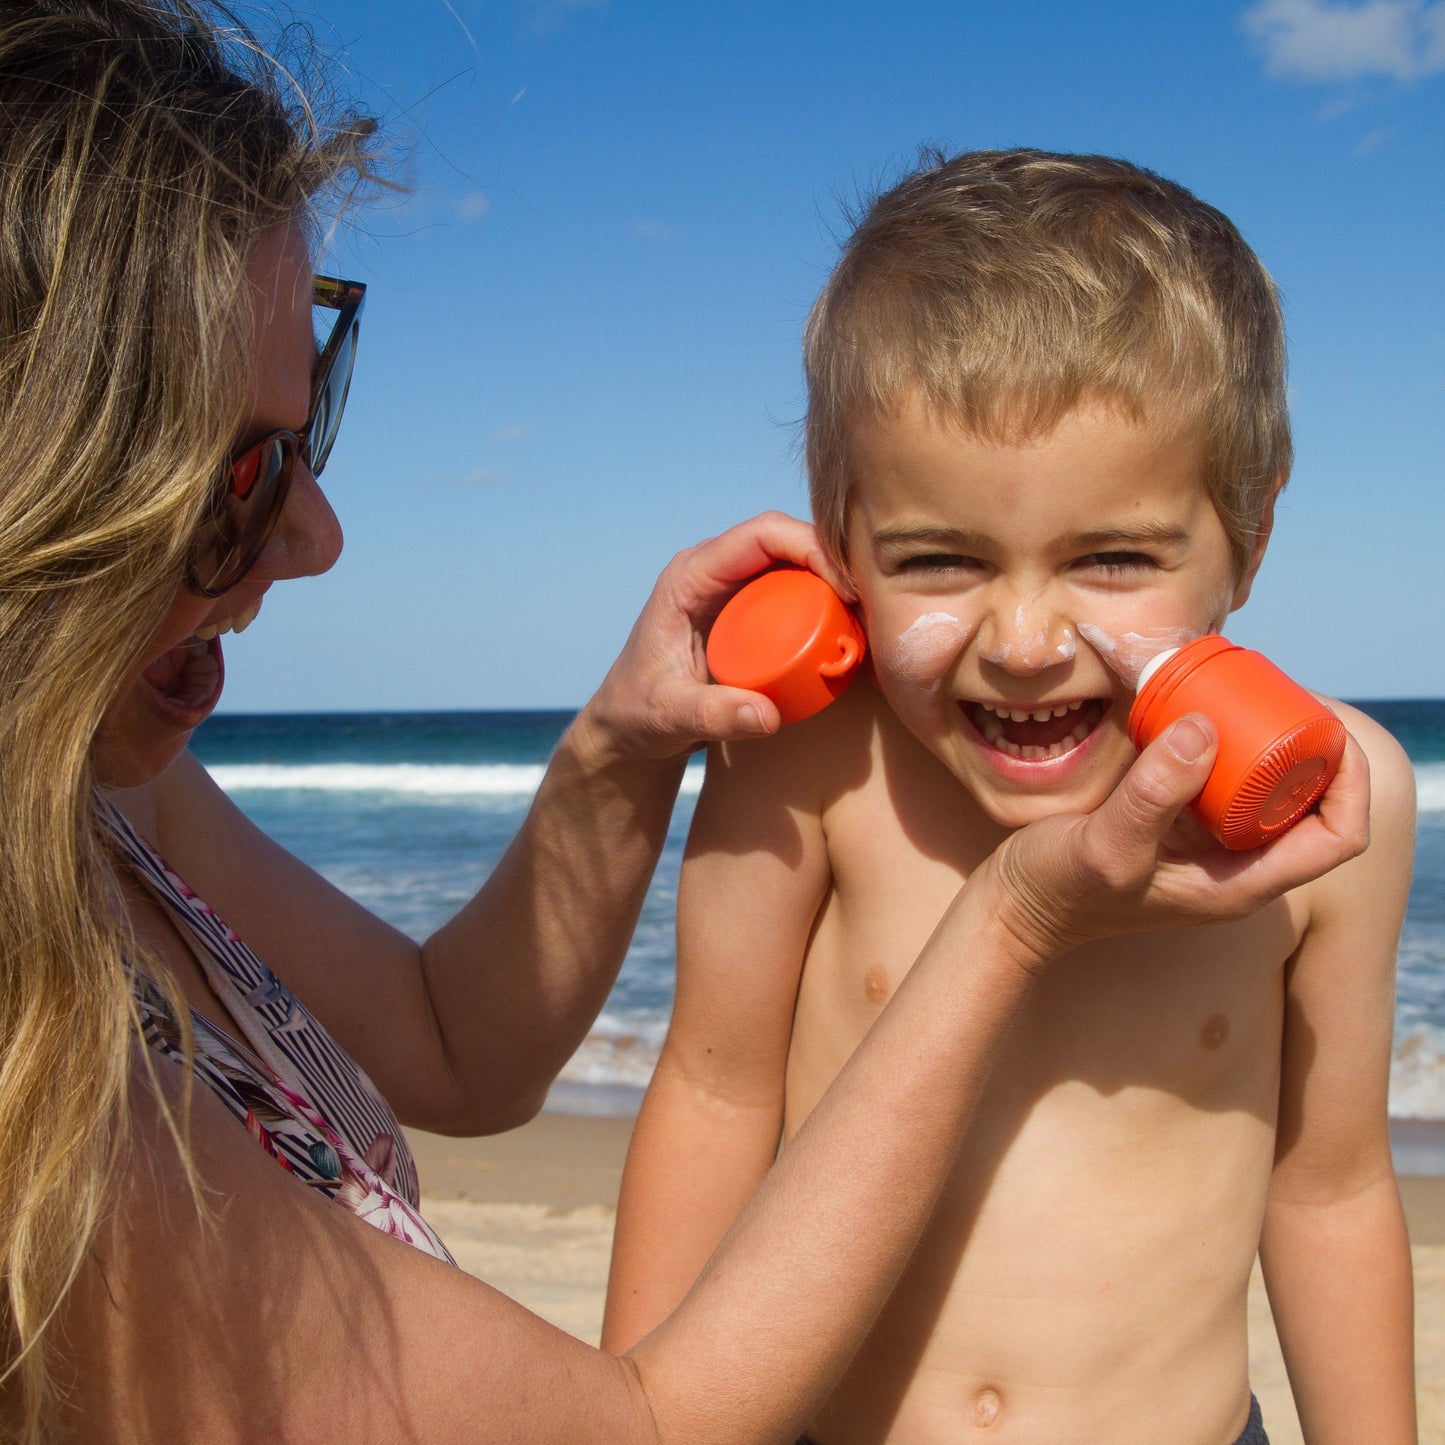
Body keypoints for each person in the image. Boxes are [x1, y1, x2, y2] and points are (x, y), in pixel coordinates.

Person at [0, 11, 1373, 1439]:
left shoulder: (116, 803)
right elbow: (640, 1410)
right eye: (242, 473)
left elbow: (452, 1045)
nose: (322, 532)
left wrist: (620, 747)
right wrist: (1013, 922)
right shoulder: (43, 1125)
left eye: (316, 423)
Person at [603, 149, 1418, 1444]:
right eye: (940, 558)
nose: (1025, 637)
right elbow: (711, 1087)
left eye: (1109, 558)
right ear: (841, 537)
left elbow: (1325, 1191)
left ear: (1246, 539)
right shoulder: (814, 762)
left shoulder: (1334, 808)